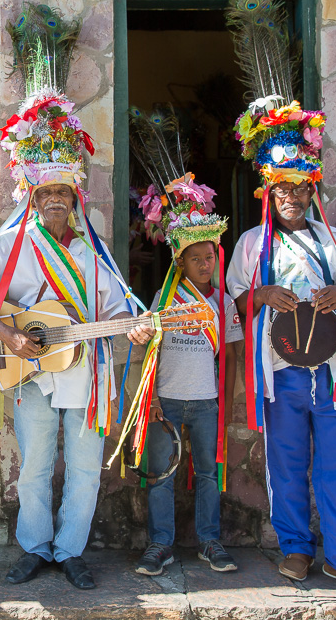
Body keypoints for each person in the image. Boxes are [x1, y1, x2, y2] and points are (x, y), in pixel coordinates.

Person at [0, 3, 152, 590]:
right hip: (34, 370)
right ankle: (35, 547)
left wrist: (135, 328)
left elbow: (117, 308)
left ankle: (71, 551)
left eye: (64, 191)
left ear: (74, 192)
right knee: (36, 466)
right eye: (45, 191)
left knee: (87, 467)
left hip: (88, 371)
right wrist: (8, 333)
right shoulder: (12, 243)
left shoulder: (94, 249)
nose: (55, 200)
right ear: (32, 191)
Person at [225, 0, 336, 597]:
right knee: (287, 467)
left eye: (300, 187)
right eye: (282, 189)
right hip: (280, 374)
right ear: (268, 192)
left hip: (335, 374)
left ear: (311, 188)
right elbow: (232, 300)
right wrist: (260, 294)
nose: (291, 196)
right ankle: (295, 549)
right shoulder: (250, 245)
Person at [126, 107, 242, 575]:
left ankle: (211, 543)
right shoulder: (162, 297)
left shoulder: (225, 304)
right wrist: (148, 397)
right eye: (196, 258)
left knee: (210, 476)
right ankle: (160, 545)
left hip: (208, 402)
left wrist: (228, 403)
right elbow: (148, 351)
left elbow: (230, 355)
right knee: (160, 477)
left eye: (210, 256)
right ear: (180, 261)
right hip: (167, 401)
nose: (206, 264)